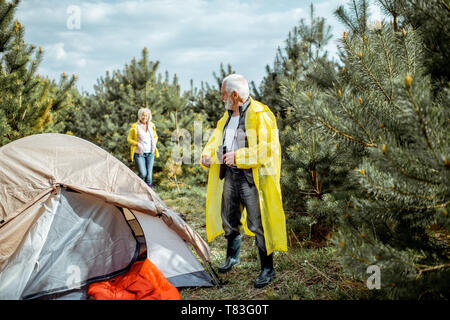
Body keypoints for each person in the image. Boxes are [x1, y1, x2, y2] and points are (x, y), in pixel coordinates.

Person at [200, 74, 287, 288]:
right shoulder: (227, 116)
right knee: (229, 217)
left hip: (251, 179)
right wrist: (208, 154)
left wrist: (239, 157)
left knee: (258, 223)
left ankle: (268, 269)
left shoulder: (261, 115)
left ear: (234, 95)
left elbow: (267, 150)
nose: (222, 99)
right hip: (229, 175)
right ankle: (232, 257)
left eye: (223, 95)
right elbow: (217, 139)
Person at [127, 107, 159, 188]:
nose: (144, 117)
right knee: (143, 173)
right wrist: (137, 143)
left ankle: (149, 193)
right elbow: (129, 139)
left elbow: (155, 136)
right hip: (139, 154)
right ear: (139, 116)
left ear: (149, 116)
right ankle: (137, 187)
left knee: (149, 175)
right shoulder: (135, 126)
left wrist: (154, 142)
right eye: (143, 115)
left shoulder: (152, 125)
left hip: (150, 153)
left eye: (146, 116)